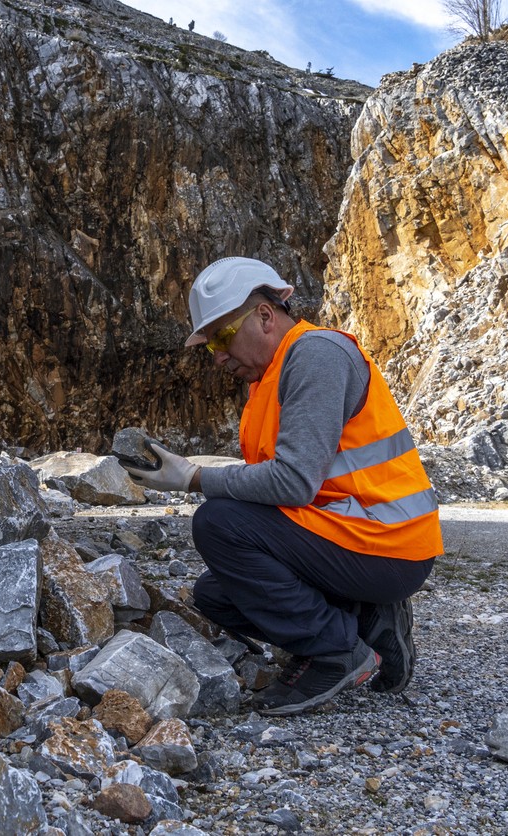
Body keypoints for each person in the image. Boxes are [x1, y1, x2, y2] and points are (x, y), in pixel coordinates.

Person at [123, 257, 442, 716]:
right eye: (210, 344)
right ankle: (368, 621)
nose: (218, 356)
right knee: (216, 594)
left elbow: (293, 482)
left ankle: (336, 651)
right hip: (353, 535)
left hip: (386, 543)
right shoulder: (269, 378)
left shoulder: (316, 357)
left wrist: (195, 478)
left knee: (218, 524)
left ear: (265, 316)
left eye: (224, 337)